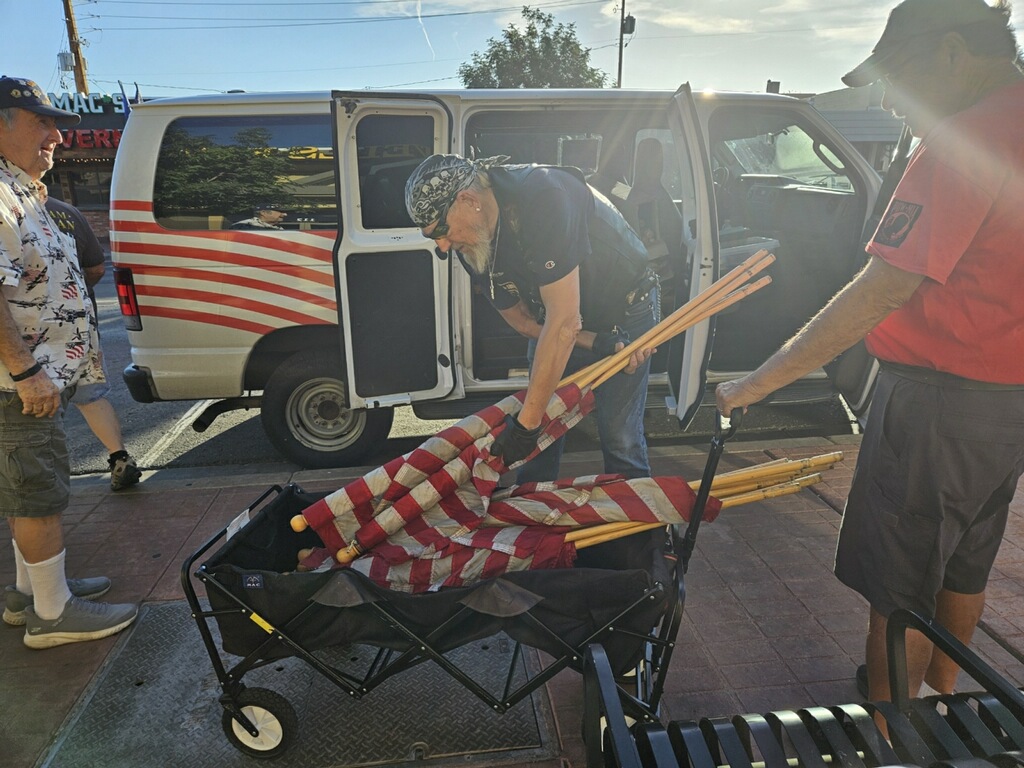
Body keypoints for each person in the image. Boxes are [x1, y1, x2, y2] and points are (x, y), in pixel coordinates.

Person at [715, 0, 1024, 709]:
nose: (887, 102)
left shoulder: (963, 141)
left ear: (953, 53)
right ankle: (941, 702)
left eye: (897, 78)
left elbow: (883, 289)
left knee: (900, 586)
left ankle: (888, 735)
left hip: (939, 405)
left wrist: (758, 383)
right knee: (965, 562)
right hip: (1007, 404)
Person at [404, 154, 659, 482]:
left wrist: (525, 425)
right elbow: (524, 321)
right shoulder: (472, 244)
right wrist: (596, 343)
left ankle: (640, 511)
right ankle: (531, 505)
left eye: (441, 230)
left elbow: (564, 323)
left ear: (468, 200)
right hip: (558, 318)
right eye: (432, 237)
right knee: (539, 436)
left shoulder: (543, 195)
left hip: (625, 306)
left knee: (619, 436)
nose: (441, 245)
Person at [0, 76, 137, 647]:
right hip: (19, 384)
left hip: (34, 379)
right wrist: (26, 372)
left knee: (25, 491)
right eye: (42, 122)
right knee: (38, 494)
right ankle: (53, 616)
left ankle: (31, 593)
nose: (56, 136)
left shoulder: (21, 190)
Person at [45, 197, 143, 491]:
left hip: (26, 334)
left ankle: (42, 481)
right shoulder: (66, 211)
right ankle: (119, 457)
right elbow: (97, 268)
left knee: (36, 405)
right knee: (90, 396)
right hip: (78, 324)